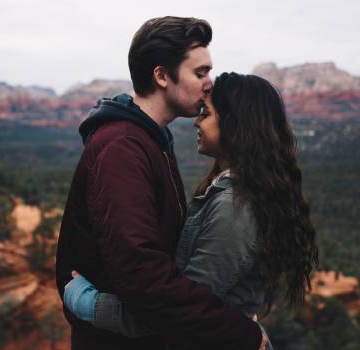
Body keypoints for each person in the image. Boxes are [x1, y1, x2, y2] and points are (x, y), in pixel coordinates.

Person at [63, 73, 320, 350]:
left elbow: (179, 311)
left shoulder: (234, 208)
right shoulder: (231, 193)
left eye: (206, 114)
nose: (197, 121)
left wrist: (90, 303)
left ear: (235, 125)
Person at [55, 17, 267, 350]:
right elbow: (145, 279)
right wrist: (241, 333)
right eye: (199, 73)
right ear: (162, 75)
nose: (209, 84)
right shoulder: (122, 148)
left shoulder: (152, 141)